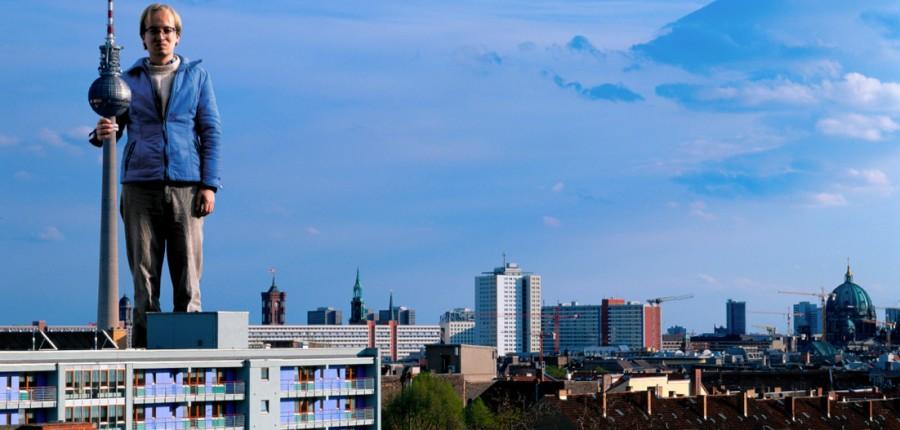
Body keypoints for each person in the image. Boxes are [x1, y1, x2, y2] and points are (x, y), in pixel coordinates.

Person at [91, 3, 222, 347]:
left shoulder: (197, 77)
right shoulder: (127, 81)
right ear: (142, 38)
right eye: (153, 31)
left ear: (177, 37)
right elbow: (114, 127)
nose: (160, 36)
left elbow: (210, 131)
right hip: (139, 188)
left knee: (188, 278)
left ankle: (189, 352)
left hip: (186, 187)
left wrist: (209, 186)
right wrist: (100, 133)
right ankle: (147, 356)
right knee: (144, 280)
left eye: (167, 30)